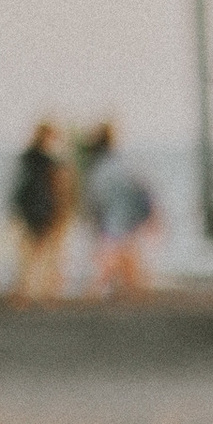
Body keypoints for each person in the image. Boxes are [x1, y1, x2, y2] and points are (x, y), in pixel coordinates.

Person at [82, 121, 163, 297]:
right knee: (124, 255)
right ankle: (132, 288)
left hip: (114, 219)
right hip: (126, 218)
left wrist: (94, 217)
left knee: (110, 257)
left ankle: (98, 291)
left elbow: (97, 197)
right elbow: (142, 188)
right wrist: (149, 214)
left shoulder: (100, 167)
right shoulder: (120, 163)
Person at [6, 121, 76, 301]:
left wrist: (15, 210)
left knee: (29, 254)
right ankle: (49, 292)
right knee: (51, 253)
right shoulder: (52, 161)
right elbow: (60, 188)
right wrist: (63, 211)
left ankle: (24, 292)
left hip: (28, 209)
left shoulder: (26, 158)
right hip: (47, 210)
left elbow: (18, 186)